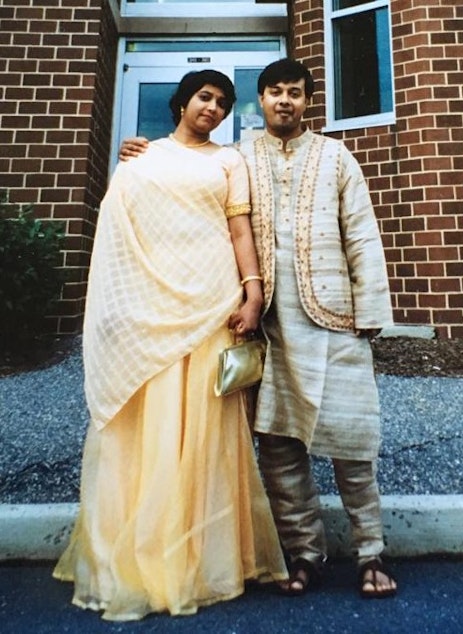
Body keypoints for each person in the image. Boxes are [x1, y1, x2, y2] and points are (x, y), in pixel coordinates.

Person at [119, 58, 397, 599]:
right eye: (274, 92)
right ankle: (306, 554)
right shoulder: (237, 156)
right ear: (261, 100)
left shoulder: (336, 156)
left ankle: (371, 552)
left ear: (308, 101)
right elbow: (187, 172)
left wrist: (371, 313)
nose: (284, 101)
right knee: (278, 447)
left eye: (295, 92)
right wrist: (145, 150)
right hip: (267, 327)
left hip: (336, 319)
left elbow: (361, 234)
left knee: (354, 443)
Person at [53, 69, 288, 621]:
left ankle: (203, 559)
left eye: (224, 103)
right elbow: (120, 230)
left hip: (212, 304)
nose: (214, 108)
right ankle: (138, 558)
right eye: (205, 97)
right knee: (149, 426)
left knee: (205, 431)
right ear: (182, 102)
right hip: (150, 310)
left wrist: (253, 293)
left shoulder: (230, 161)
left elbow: (239, 231)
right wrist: (119, 307)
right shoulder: (142, 157)